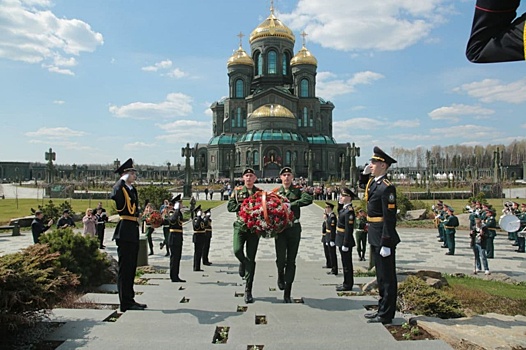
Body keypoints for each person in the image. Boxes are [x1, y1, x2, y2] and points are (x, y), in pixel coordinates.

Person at [363, 146, 401, 325]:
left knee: (387, 277)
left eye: (374, 162)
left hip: (383, 236)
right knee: (380, 275)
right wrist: (364, 175)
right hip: (375, 233)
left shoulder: (387, 187)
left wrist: (386, 241)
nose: (371, 165)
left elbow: (389, 217)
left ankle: (386, 314)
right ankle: (381, 308)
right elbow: (366, 191)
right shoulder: (376, 183)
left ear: (383, 166)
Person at [111, 158, 147, 312]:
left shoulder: (131, 189)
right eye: (131, 173)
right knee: (125, 269)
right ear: (124, 174)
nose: (134, 175)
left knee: (131, 268)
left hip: (132, 229)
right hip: (125, 230)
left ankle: (130, 298)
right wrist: (120, 180)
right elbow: (115, 194)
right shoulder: (120, 188)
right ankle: (124, 302)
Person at [273, 167, 313, 302]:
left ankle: (287, 292)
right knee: (280, 259)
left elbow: (308, 199)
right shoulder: (275, 193)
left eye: (289, 175)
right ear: (280, 177)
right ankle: (280, 274)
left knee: (291, 260)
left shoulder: (297, 191)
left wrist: (293, 204)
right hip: (280, 229)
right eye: (284, 175)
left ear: (292, 177)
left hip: (294, 228)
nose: (286, 177)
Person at [227, 168, 262, 303]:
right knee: (237, 250)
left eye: (251, 176)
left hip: (254, 229)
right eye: (246, 176)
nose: (248, 178)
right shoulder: (237, 192)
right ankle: (243, 262)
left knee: (251, 258)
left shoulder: (259, 193)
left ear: (255, 178)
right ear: (243, 178)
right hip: (240, 226)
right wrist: (243, 208)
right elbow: (230, 207)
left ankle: (248, 289)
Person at [335, 187, 357, 292]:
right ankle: (346, 282)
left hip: (345, 239)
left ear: (349, 198)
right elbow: (339, 212)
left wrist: (346, 243)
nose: (341, 197)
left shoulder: (349, 211)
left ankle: (348, 284)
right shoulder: (344, 209)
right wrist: (339, 203)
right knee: (344, 263)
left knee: (347, 263)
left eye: (343, 196)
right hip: (340, 237)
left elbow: (349, 230)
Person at [168, 194, 185, 282]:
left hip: (178, 237)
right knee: (174, 257)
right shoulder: (172, 212)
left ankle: (176, 275)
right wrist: (177, 209)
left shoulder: (178, 213)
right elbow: (172, 220)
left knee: (178, 257)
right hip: (173, 237)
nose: (182, 204)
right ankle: (173, 276)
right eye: (180, 203)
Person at [324, 202, 338, 275]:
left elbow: (332, 229)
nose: (325, 209)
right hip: (328, 236)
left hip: (331, 236)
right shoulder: (329, 216)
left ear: (330, 208)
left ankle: (334, 269)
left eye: (326, 207)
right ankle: (332, 267)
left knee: (332, 254)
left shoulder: (332, 216)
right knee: (330, 253)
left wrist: (332, 239)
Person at [192, 205, 206, 272]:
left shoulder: (200, 218)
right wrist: (199, 217)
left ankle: (197, 266)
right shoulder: (196, 219)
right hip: (197, 236)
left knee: (199, 252)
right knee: (197, 252)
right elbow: (196, 226)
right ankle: (196, 267)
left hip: (201, 236)